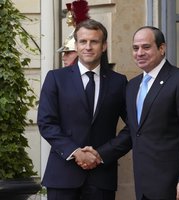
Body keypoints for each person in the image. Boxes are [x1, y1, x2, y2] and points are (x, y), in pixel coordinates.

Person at [90, 26, 179, 200]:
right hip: (144, 184)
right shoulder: (133, 86)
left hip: (173, 184)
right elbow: (133, 131)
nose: (139, 53)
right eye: (135, 48)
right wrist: (99, 155)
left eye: (146, 47)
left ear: (161, 48)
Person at [37, 19, 127, 200]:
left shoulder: (119, 82)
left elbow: (134, 128)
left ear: (103, 46)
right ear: (76, 45)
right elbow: (46, 122)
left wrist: (101, 155)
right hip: (62, 176)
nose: (88, 47)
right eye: (83, 42)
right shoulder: (56, 78)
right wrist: (76, 152)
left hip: (102, 177)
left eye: (94, 41)